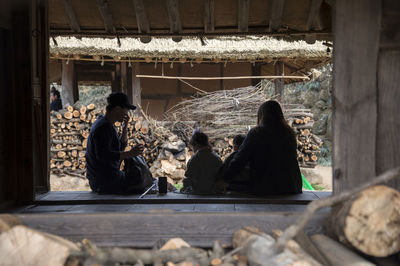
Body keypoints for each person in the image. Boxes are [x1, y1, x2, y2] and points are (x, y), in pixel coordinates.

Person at [222, 100, 302, 196]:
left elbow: (240, 160)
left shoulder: (257, 132)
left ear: (261, 115)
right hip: (292, 186)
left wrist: (224, 178)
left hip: (266, 188)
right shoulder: (289, 133)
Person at [85, 92, 148, 194]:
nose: (127, 114)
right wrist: (130, 154)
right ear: (117, 109)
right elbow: (103, 155)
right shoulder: (103, 127)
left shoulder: (107, 124)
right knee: (145, 183)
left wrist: (125, 127)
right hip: (104, 182)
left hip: (108, 178)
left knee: (147, 180)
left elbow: (120, 147)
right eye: (126, 110)